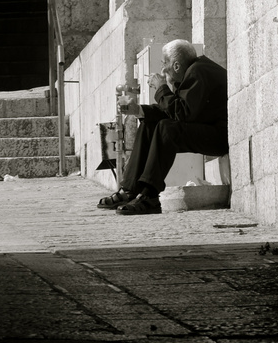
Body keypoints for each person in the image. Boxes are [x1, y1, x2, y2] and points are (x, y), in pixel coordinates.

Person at [98, 39, 229, 215]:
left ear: (176, 65)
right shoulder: (193, 71)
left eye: (164, 63)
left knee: (167, 129)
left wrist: (161, 88)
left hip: (220, 136)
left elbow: (182, 114)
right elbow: (175, 111)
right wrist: (139, 110)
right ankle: (130, 189)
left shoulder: (198, 72)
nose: (162, 69)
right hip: (209, 130)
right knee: (150, 123)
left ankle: (150, 195)